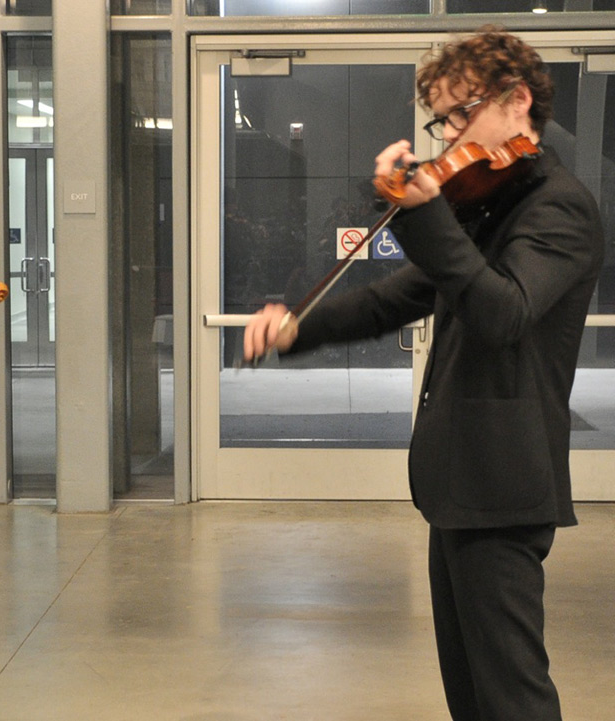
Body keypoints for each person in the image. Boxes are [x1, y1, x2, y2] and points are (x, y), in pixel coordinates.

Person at [243, 27, 603, 721]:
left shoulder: (559, 207)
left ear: (518, 100)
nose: (447, 137)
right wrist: (297, 327)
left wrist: (431, 212)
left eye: (460, 114)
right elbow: (398, 296)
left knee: (514, 696)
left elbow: (504, 312)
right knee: (470, 691)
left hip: (503, 486)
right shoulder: (491, 204)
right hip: (459, 481)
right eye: (442, 120)